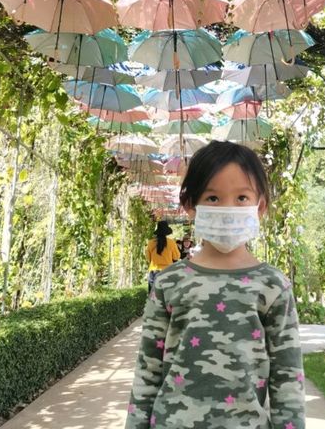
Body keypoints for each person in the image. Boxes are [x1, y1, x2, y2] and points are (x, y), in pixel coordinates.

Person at [126, 140, 305, 429]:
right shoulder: (169, 282)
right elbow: (148, 370)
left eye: (242, 198)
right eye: (212, 198)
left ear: (260, 207)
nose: (227, 208)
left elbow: (288, 379)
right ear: (189, 205)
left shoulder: (273, 286)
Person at [145, 220, 180, 294]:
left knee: (153, 296)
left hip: (153, 271)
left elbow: (148, 258)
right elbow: (176, 257)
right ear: (166, 232)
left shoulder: (151, 243)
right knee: (167, 296)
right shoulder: (171, 243)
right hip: (168, 271)